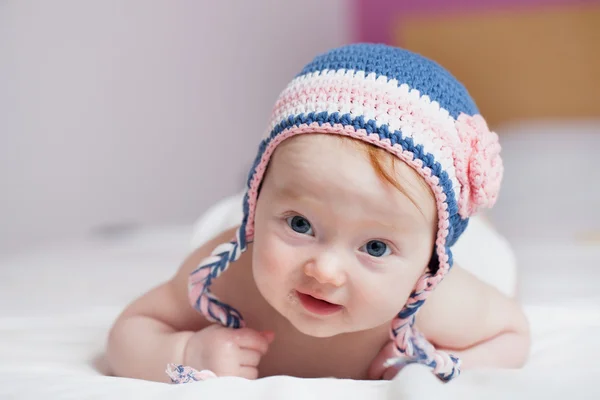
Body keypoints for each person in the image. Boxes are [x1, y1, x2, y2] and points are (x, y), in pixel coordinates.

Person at [105, 43, 530, 384]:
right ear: (256, 205)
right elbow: (132, 328)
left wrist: (445, 364)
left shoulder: (437, 302)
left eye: (376, 246)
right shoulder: (224, 276)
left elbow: (513, 334)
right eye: (300, 224)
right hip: (239, 228)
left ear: (428, 267)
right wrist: (184, 354)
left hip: (468, 252)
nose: (324, 271)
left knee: (492, 258)